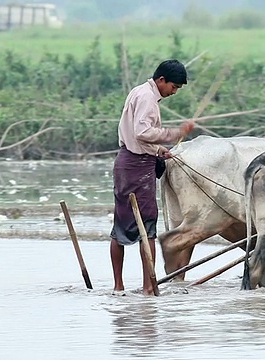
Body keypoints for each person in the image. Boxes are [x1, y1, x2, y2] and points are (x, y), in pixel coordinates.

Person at [110, 59, 194, 295]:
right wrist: (176, 133)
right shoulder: (147, 98)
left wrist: (159, 151)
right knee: (147, 226)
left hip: (127, 162)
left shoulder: (140, 92)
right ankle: (150, 287)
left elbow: (137, 138)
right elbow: (142, 132)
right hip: (137, 168)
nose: (174, 92)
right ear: (161, 80)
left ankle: (119, 287)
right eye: (173, 87)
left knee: (121, 226)